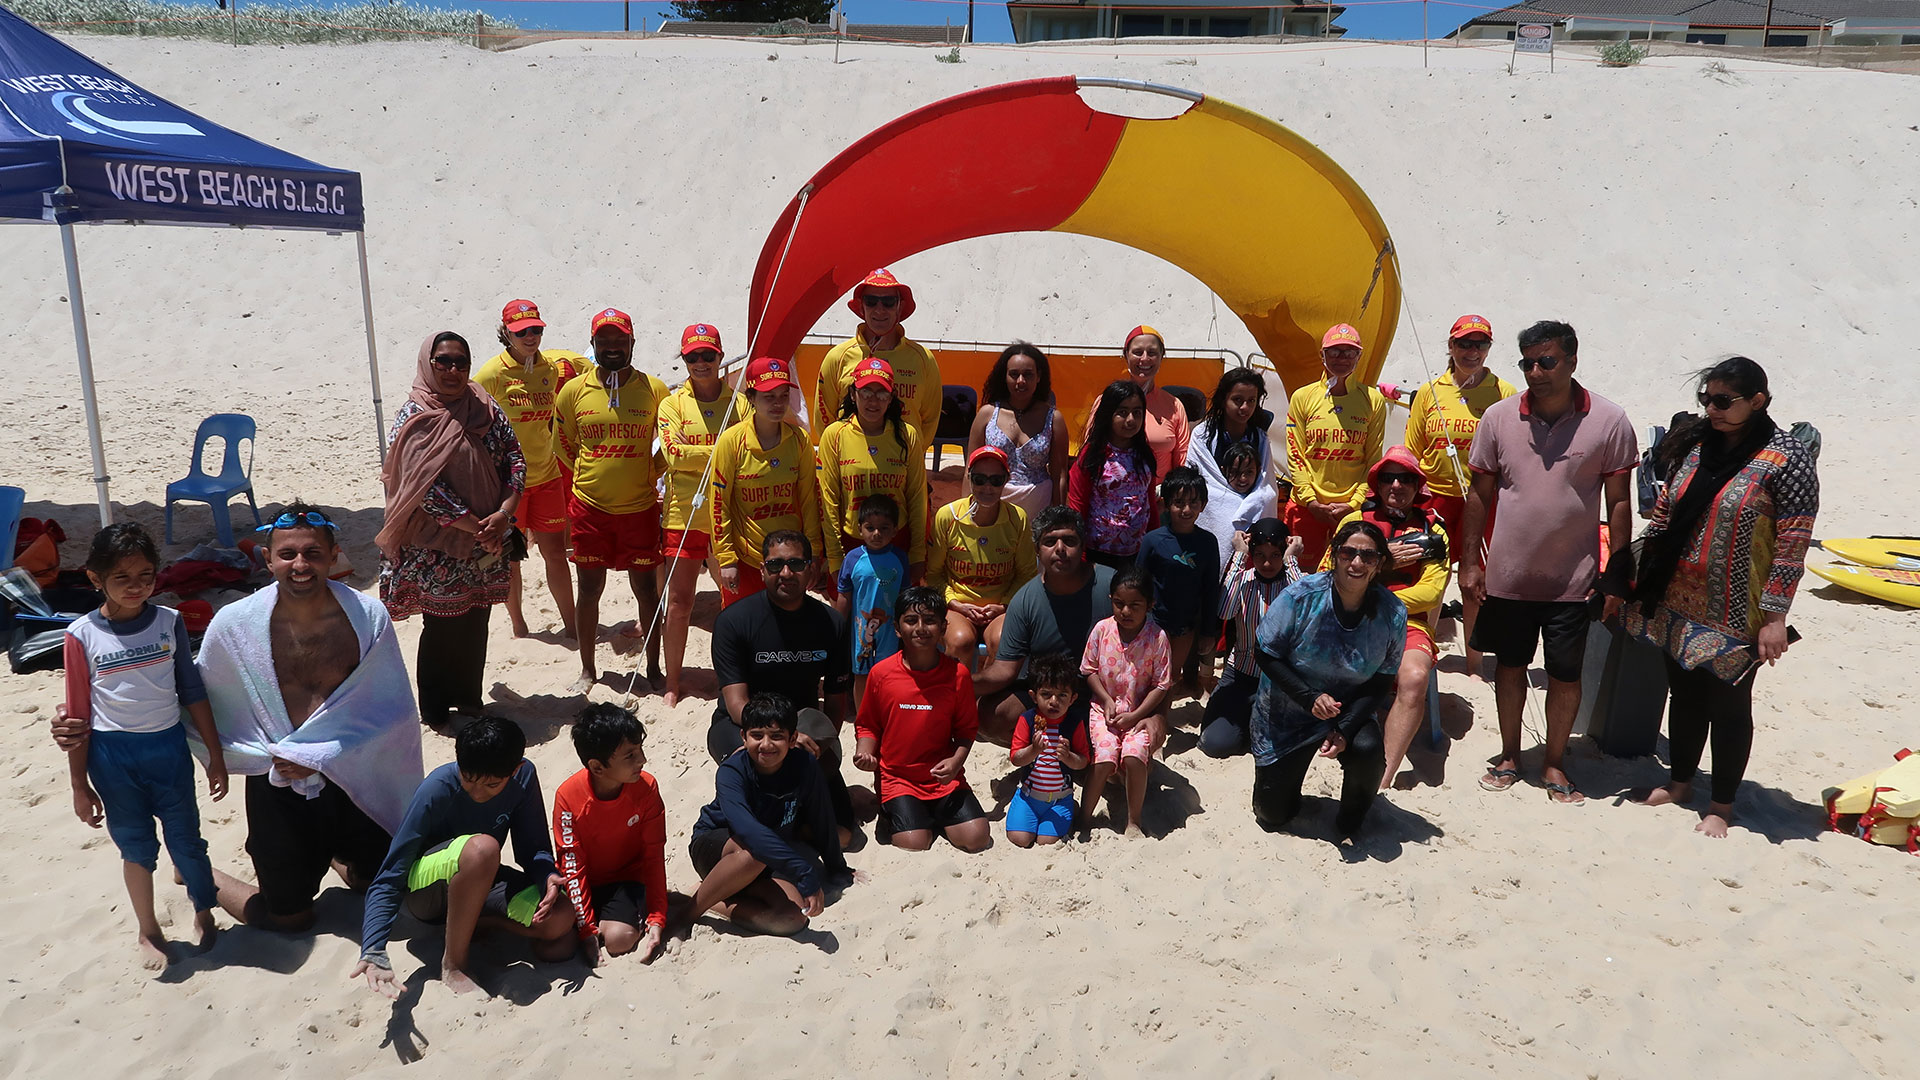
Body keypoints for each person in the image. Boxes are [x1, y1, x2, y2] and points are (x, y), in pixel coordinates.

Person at [1621, 357, 1818, 837]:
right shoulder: (1698, 444)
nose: (1711, 408)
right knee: (1684, 694)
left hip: (1739, 612)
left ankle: (1723, 804)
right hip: (1678, 599)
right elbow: (1666, 510)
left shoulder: (1787, 459)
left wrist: (1774, 618)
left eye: (1722, 401)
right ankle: (1681, 782)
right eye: (1705, 399)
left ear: (1758, 401)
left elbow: (1792, 546)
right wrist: (1638, 578)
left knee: (1730, 707)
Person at [1460, 319, 1638, 805]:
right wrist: (1469, 564)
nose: (1535, 372)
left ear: (1572, 361)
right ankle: (1511, 755)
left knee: (1565, 676)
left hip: (1573, 581)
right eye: (1528, 363)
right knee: (1510, 668)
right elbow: (1479, 495)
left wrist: (1617, 571)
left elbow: (1619, 502)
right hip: (1509, 577)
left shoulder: (1609, 420)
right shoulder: (1497, 418)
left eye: (1547, 361)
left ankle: (1555, 761)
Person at [64, 523, 226, 968]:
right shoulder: (80, 635)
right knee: (136, 846)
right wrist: (80, 783)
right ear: (95, 578)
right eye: (122, 578)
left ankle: (203, 910)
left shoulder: (170, 622)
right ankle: (148, 928)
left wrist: (213, 754)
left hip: (168, 750)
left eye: (146, 575)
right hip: (112, 759)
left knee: (187, 840)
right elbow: (77, 715)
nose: (136, 587)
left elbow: (191, 690)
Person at [352, 717, 575, 999]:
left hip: (480, 876)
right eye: (468, 780)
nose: (477, 792)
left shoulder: (524, 776)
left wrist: (547, 875)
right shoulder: (437, 787)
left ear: (515, 770)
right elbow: (391, 875)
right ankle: (454, 965)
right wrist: (373, 948)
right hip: (427, 893)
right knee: (483, 848)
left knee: (560, 918)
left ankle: (466, 923)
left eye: (492, 785)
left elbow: (533, 849)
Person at [377, 331, 526, 728]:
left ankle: (470, 699)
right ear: (429, 363)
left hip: (488, 536)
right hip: (438, 545)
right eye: (443, 361)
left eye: (461, 361)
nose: (453, 370)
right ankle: (437, 709)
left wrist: (505, 513)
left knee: (476, 619)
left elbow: (514, 457)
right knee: (442, 625)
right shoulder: (414, 416)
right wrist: (478, 525)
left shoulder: (484, 406)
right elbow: (420, 485)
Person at [1252, 521, 1405, 838]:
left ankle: (1351, 819)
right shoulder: (1301, 598)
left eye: (1368, 556)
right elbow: (1264, 653)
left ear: (1379, 564)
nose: (1357, 563)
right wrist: (1309, 697)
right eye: (1349, 553)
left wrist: (1345, 729)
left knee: (1367, 749)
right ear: (1335, 555)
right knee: (1272, 814)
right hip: (1287, 710)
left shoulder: (1393, 614)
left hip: (1346, 709)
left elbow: (1381, 682)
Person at [553, 308, 672, 696]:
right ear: (593, 344)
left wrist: (648, 472)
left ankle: (653, 667)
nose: (612, 347)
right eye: (604, 341)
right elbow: (565, 446)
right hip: (590, 509)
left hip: (639, 508)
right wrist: (596, 475)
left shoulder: (654, 389)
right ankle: (588, 670)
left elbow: (670, 444)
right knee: (588, 588)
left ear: (633, 342)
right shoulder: (573, 392)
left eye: (620, 340)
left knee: (647, 591)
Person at [706, 531, 858, 834]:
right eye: (775, 565)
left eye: (795, 564)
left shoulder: (832, 623)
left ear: (812, 570)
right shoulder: (734, 622)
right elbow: (737, 704)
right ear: (762, 571)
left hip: (806, 728)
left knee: (842, 832)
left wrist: (822, 743)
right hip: (741, 728)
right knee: (762, 814)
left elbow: (837, 701)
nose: (785, 573)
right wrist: (783, 737)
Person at [1324, 449, 1451, 789]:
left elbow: (1430, 594)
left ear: (1418, 485)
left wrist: (1369, 587)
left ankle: (1384, 772)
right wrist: (1385, 563)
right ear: (1376, 483)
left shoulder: (1433, 531)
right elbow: (1327, 577)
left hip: (1407, 622)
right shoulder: (1352, 523)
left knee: (1413, 677)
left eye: (1406, 478)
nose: (1397, 485)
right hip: (1351, 618)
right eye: (1388, 477)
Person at [680, 692, 855, 938]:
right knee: (752, 854)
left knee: (792, 918)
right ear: (744, 736)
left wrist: (838, 867)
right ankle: (685, 914)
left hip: (768, 855)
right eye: (757, 735)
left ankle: (706, 896)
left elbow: (821, 816)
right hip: (719, 848)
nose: (766, 744)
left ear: (793, 738)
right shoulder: (732, 771)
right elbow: (747, 830)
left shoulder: (805, 765)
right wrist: (803, 871)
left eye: (777, 736)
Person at [1403, 314, 1516, 677]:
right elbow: (1412, 449)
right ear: (1450, 347)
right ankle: (1424, 650)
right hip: (1435, 497)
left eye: (1480, 344)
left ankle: (1474, 664)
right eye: (1464, 343)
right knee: (1432, 576)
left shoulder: (1505, 393)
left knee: (1475, 581)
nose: (1472, 351)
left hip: (1481, 500)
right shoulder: (1429, 392)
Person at [852, 587, 991, 853]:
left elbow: (966, 729)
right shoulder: (881, 673)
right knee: (915, 843)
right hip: (897, 777)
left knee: (976, 838)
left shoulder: (958, 675)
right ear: (896, 628)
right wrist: (865, 753)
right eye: (911, 620)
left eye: (929, 620)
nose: (920, 628)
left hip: (942, 777)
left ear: (943, 628)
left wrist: (955, 761)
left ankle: (925, 818)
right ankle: (901, 815)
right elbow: (867, 724)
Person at [472, 299, 577, 640]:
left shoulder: (550, 367)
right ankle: (519, 627)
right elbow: (467, 419)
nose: (530, 337)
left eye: (536, 329)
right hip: (508, 485)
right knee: (510, 559)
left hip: (547, 476)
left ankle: (573, 625)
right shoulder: (491, 374)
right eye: (521, 332)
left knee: (556, 555)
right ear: (506, 334)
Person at [973, 507, 1116, 747]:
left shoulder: (1112, 586)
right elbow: (1004, 671)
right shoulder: (1025, 599)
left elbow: (1154, 652)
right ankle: (1048, 756)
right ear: (1037, 550)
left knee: (1119, 772)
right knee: (990, 714)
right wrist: (956, 680)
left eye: (1069, 540)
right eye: (1050, 541)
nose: (1060, 548)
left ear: (1082, 546)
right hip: (1047, 697)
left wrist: (1158, 717)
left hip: (1102, 698)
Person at [656, 322, 738, 706]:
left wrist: (701, 454)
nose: (701, 362)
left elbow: (746, 452)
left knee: (733, 600)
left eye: (708, 355)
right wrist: (723, 451)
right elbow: (674, 455)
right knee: (680, 603)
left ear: (721, 357)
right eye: (693, 356)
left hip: (728, 513)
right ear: (684, 360)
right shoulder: (672, 404)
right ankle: (673, 682)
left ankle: (731, 679)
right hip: (682, 514)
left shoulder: (739, 403)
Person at [552, 703, 667, 964]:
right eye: (630, 756)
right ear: (597, 767)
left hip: (625, 880)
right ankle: (595, 922)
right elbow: (572, 866)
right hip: (583, 882)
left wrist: (658, 917)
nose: (642, 760)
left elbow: (653, 855)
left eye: (640, 750)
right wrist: (586, 930)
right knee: (555, 950)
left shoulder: (647, 788)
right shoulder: (569, 797)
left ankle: (612, 921)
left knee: (619, 940)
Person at [709, 357, 827, 607]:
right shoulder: (731, 442)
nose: (777, 403)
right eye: (768, 396)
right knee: (743, 632)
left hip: (790, 561)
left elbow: (810, 501)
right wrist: (727, 559)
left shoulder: (800, 441)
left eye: (783, 396)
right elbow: (719, 504)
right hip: (747, 558)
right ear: (750, 397)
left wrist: (814, 552)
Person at [816, 356, 927, 585]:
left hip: (897, 541)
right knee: (848, 617)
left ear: (891, 398)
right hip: (851, 543)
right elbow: (828, 500)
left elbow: (917, 497)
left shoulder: (907, 435)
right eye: (866, 392)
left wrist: (917, 554)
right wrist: (835, 557)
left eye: (881, 393)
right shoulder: (835, 435)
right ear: (853, 394)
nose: (873, 401)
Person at [1284, 323, 1387, 568]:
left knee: (1347, 576)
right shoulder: (1303, 397)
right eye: (1334, 351)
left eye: (1349, 352)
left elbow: (1373, 459)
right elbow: (1295, 453)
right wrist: (1311, 501)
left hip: (1351, 507)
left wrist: (1354, 503)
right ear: (1322, 355)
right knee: (1300, 577)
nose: (1342, 358)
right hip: (1306, 507)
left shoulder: (1372, 399)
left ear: (1359, 356)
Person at [1078, 566, 1171, 838]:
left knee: (1134, 756)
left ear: (1149, 605)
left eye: (1134, 605)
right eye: (1119, 604)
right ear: (1111, 600)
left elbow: (1161, 684)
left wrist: (1138, 714)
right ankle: (1084, 817)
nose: (1126, 612)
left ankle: (1134, 821)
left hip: (1138, 713)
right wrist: (1106, 699)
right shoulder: (1102, 630)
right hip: (1103, 710)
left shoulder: (1158, 638)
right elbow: (1089, 669)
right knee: (1104, 759)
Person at [814, 268, 941, 464]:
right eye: (871, 301)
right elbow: (824, 417)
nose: (879, 309)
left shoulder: (923, 359)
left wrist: (909, 456)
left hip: (903, 466)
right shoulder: (837, 357)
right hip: (849, 467)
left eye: (889, 302)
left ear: (900, 306)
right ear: (861, 307)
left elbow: (930, 419)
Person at [1200, 518, 1302, 758]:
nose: (1267, 563)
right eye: (1259, 555)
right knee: (1215, 744)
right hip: (1240, 674)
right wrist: (1238, 555)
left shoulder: (1296, 582)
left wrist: (1291, 559)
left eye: (1276, 555)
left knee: (1279, 747)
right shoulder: (1243, 580)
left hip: (1281, 681)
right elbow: (1224, 611)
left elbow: (1308, 611)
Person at [925, 445, 1036, 664]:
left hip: (1001, 608)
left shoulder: (1017, 519)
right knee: (960, 641)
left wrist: (1003, 605)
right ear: (969, 477)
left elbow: (1026, 575)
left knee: (1003, 641)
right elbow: (933, 575)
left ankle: (992, 698)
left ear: (1007, 480)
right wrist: (955, 603)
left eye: (996, 480)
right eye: (979, 479)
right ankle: (957, 697)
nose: (987, 487)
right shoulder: (948, 517)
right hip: (958, 605)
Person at [1135, 465, 1220, 700]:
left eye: (1193, 502)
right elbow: (1138, 583)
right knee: (1147, 676)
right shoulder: (1153, 540)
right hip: (1153, 624)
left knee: (1169, 678)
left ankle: (1161, 722)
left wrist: (1208, 632)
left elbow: (1211, 589)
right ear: (1166, 503)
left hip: (1185, 626)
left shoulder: (1208, 542)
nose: (1186, 509)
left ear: (1202, 505)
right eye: (1179, 502)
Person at [1190, 367, 1280, 572]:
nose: (1245, 407)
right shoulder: (1203, 435)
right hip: (1214, 502)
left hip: (1251, 504)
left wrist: (1248, 503)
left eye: (1251, 401)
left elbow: (1266, 484)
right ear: (1224, 400)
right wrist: (1233, 501)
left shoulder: (1260, 437)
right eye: (1238, 400)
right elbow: (1201, 479)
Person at [966, 342, 1068, 517]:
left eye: (1028, 375)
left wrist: (1058, 517)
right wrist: (968, 512)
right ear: (1004, 377)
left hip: (1038, 508)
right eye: (1014, 374)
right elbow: (970, 469)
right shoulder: (986, 415)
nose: (1021, 381)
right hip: (992, 505)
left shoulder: (1053, 419)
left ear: (1038, 377)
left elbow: (1060, 475)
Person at [1068, 380, 1160, 569]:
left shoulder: (1145, 454)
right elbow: (1078, 506)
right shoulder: (1092, 455)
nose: (1131, 420)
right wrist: (1081, 555)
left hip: (1137, 554)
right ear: (1108, 414)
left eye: (1137, 412)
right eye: (1122, 412)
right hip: (1097, 555)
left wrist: (1155, 544)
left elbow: (1150, 503)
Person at [1004, 652, 1091, 848]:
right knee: (1019, 839)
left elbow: (1083, 761)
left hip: (1059, 798)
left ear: (1072, 698)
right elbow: (1016, 758)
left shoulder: (1073, 723)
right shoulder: (1027, 719)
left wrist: (1068, 757)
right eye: (1046, 694)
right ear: (1034, 696)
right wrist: (1034, 750)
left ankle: (1070, 808)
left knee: (1046, 841)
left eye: (1062, 695)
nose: (1054, 701)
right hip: (1029, 796)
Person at [1084, 326, 1191, 478]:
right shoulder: (1106, 401)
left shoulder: (1174, 405)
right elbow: (1091, 452)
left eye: (1152, 353)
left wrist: (1169, 491)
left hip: (1159, 498)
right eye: (1138, 352)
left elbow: (1182, 459)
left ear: (1162, 356)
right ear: (1126, 355)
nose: (1145, 358)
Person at [837, 494, 908, 705]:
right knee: (862, 674)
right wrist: (839, 627)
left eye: (884, 528)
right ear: (860, 529)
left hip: (891, 630)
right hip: (861, 629)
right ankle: (863, 719)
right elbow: (844, 595)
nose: (877, 534)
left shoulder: (900, 557)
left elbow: (905, 595)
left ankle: (885, 714)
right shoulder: (852, 559)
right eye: (870, 527)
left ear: (895, 529)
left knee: (889, 672)